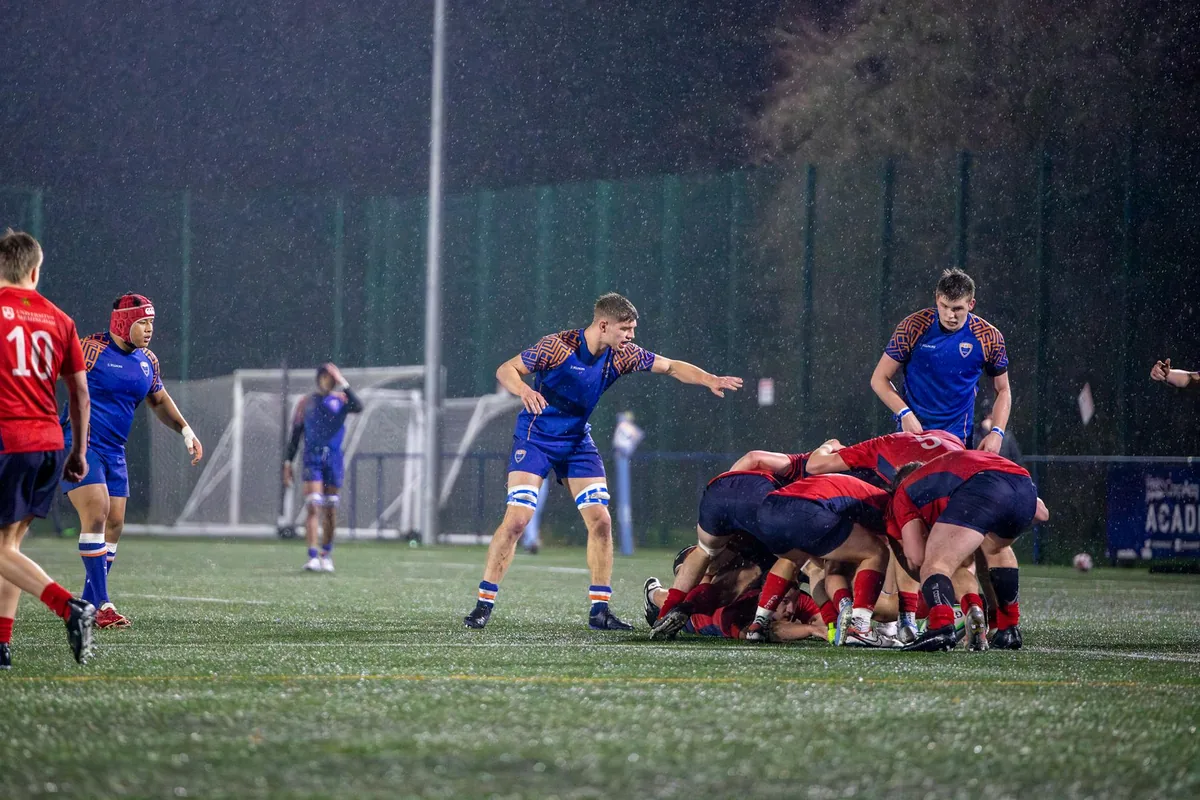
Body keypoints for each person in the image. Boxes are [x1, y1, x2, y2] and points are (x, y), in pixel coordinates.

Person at [463, 293, 742, 630]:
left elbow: (670, 366)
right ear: (603, 325)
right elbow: (505, 369)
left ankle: (600, 612)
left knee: (602, 522)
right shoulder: (558, 347)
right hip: (536, 439)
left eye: (633, 330)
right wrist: (523, 390)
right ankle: (484, 604)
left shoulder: (621, 356)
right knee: (517, 521)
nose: (631, 336)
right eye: (626, 329)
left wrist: (709, 379)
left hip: (578, 441)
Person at [63, 293, 203, 628]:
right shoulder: (90, 349)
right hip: (80, 445)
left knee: (115, 524)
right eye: (143, 322)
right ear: (124, 323)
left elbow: (159, 400)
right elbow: (49, 372)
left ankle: (87, 605)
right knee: (97, 513)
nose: (149, 329)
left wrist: (186, 430)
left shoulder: (147, 361)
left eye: (152, 322)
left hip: (114, 451)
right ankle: (104, 606)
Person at [0, 229, 96, 666]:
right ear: (35, 271)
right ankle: (2, 645)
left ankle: (68, 606)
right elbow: (79, 391)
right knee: (9, 548)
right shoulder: (59, 319)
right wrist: (78, 452)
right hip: (50, 445)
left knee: (3, 550)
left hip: (8, 440)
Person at [804, 430, 964, 642]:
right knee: (963, 557)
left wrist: (829, 444)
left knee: (821, 567)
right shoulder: (951, 440)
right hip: (957, 492)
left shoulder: (881, 445)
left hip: (838, 510)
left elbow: (813, 465)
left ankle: (851, 621)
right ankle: (967, 608)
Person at [887, 450, 1049, 652]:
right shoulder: (941, 474)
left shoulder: (904, 492)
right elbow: (1042, 514)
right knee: (996, 547)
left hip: (982, 485)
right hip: (1022, 485)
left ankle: (940, 627)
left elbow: (916, 556)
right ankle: (1009, 629)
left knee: (935, 563)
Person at [648, 450, 806, 640]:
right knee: (714, 578)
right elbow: (754, 458)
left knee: (719, 570)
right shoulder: (812, 468)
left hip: (727, 512)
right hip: (740, 537)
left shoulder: (812, 475)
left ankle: (672, 610)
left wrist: (727, 488)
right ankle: (655, 596)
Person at [871, 268, 1011, 451]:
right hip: (913, 435)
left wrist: (997, 433)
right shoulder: (913, 327)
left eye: (957, 309)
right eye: (944, 306)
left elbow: (1003, 390)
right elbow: (878, 379)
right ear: (937, 298)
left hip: (958, 441)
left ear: (971, 304)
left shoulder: (988, 337)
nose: (949, 315)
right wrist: (904, 413)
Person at [747, 474, 893, 647]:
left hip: (767, 510)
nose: (791, 610)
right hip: (807, 511)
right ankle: (861, 627)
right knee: (877, 553)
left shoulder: (854, 488)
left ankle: (758, 623)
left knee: (798, 561)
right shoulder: (886, 505)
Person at [283, 363, 364, 572]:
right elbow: (295, 435)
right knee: (313, 505)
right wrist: (288, 462)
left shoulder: (341, 400)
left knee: (329, 509)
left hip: (334, 459)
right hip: (313, 458)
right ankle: (312, 557)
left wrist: (343, 382)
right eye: (327, 377)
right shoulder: (305, 402)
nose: (329, 381)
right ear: (319, 378)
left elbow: (359, 406)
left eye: (332, 378)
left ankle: (326, 555)